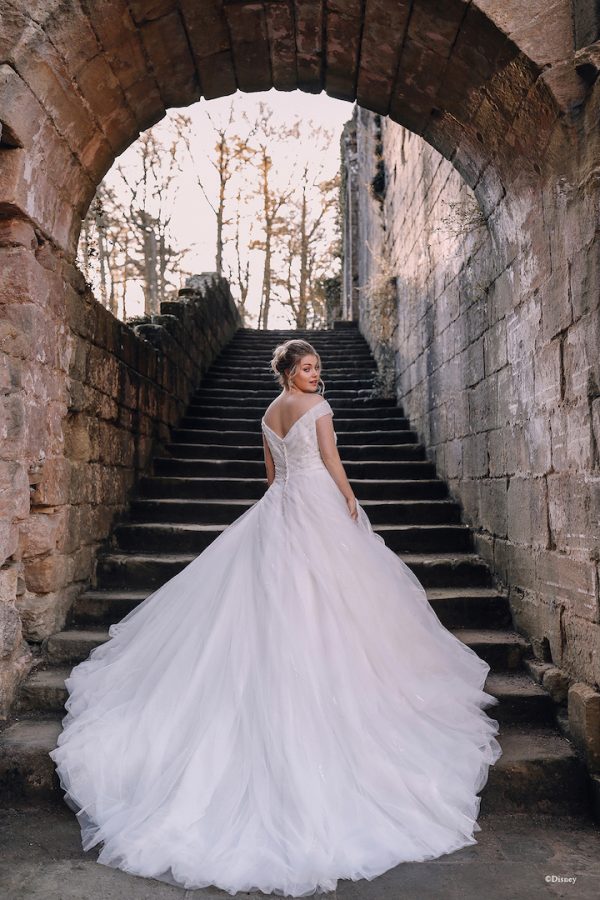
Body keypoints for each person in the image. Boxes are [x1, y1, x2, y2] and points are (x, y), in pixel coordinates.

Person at [49, 338, 502, 898]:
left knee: (286, 597)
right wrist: (349, 500)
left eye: (317, 368)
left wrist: (290, 506)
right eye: (307, 367)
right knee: (332, 597)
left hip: (281, 509)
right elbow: (332, 459)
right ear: (288, 371)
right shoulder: (318, 410)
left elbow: (271, 476)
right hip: (314, 504)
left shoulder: (268, 413)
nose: (316, 375)